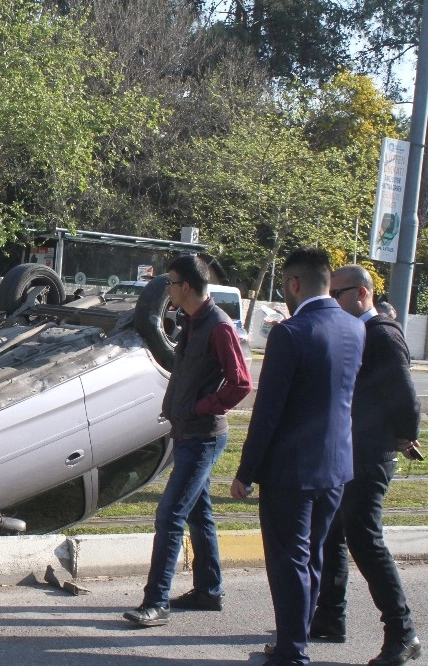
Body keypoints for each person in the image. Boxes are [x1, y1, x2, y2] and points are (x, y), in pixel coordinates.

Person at [230, 248, 364, 666]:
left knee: (289, 562)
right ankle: (296, 639)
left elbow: (267, 413)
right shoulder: (355, 327)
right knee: (314, 555)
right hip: (336, 466)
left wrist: (245, 472)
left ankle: (292, 651)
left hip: (291, 471)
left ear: (293, 284)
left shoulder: (290, 333)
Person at [124, 256, 252, 627]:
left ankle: (156, 601)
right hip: (186, 434)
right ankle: (209, 591)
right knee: (199, 512)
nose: (167, 288)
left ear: (186, 287)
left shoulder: (218, 327)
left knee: (170, 515)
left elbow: (241, 383)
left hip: (204, 437)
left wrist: (201, 407)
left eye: (171, 282)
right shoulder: (193, 323)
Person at [310, 264, 421, 665]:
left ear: (361, 293)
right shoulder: (359, 332)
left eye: (336, 294)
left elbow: (406, 395)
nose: (332, 301)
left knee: (366, 541)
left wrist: (405, 434)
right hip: (350, 450)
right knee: (332, 533)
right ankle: (330, 617)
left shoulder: (382, 335)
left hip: (372, 454)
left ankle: (403, 632)